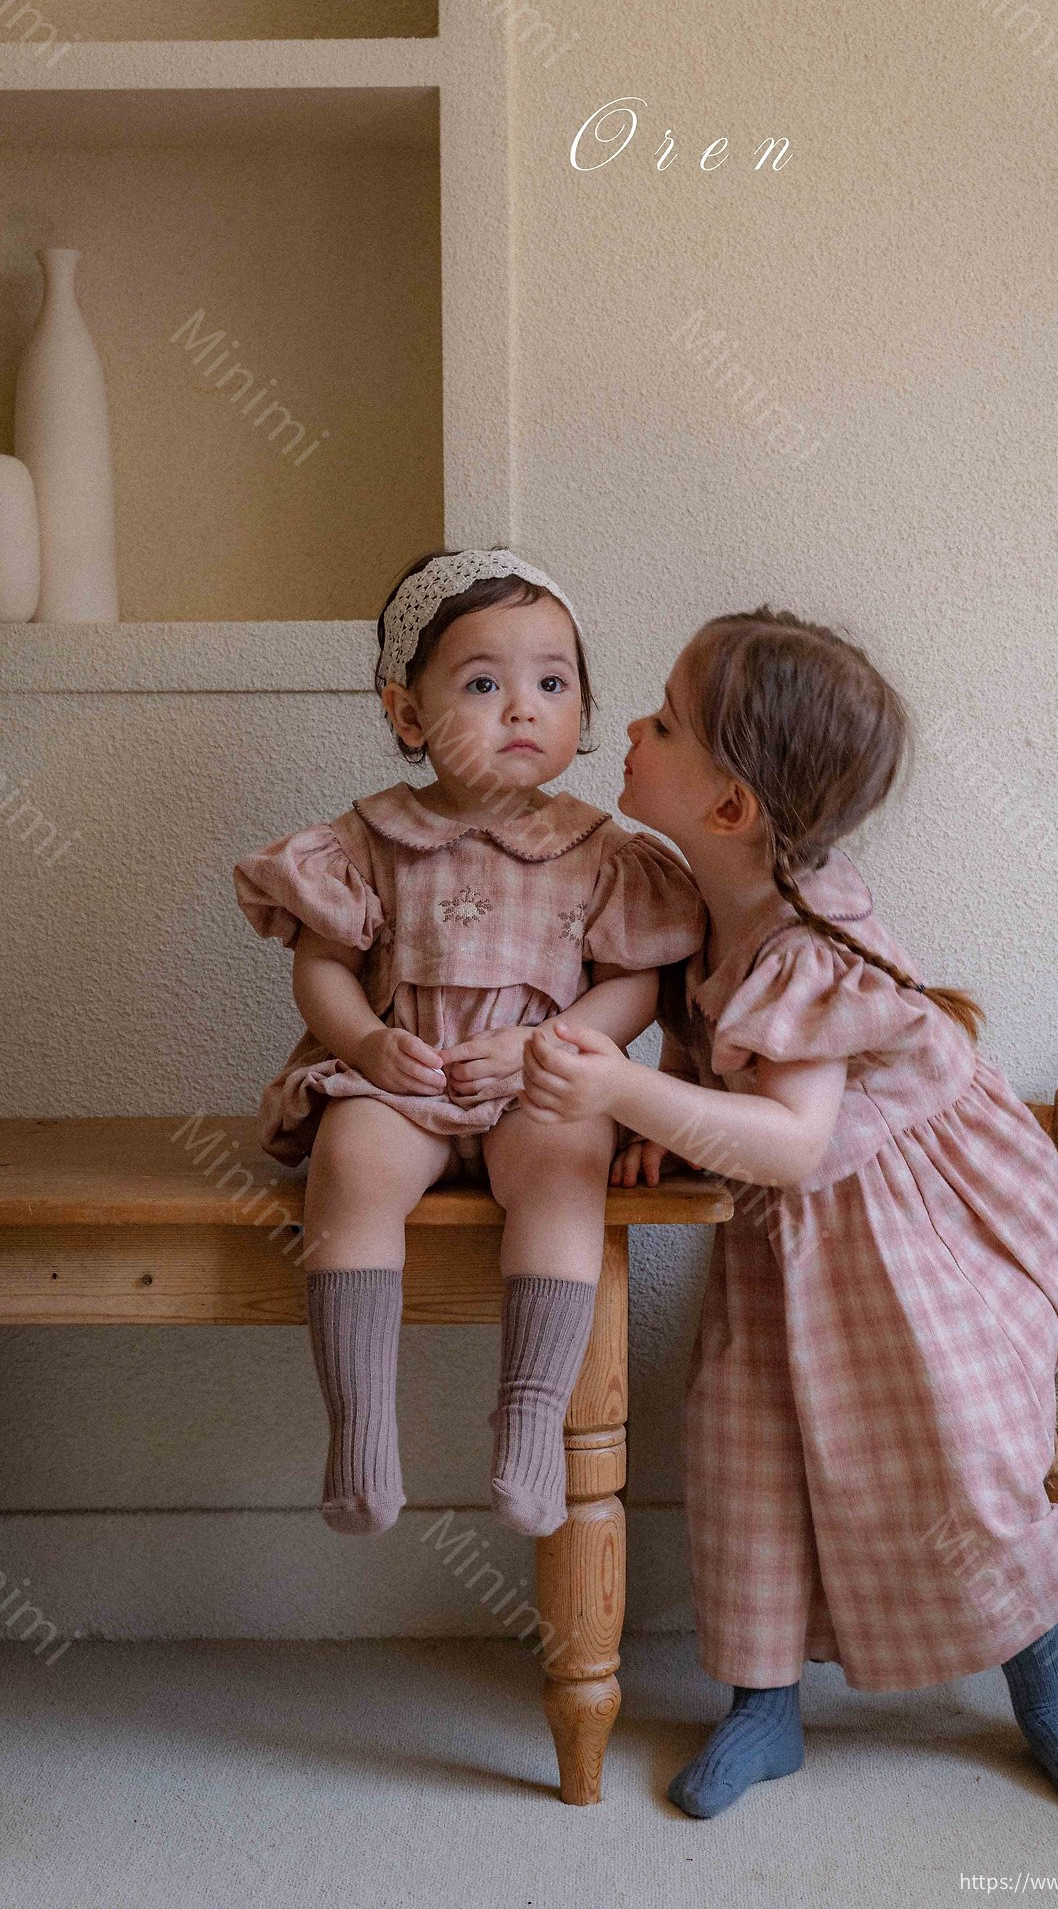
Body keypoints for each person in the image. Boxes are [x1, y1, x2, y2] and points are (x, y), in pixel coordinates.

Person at [521, 604, 1058, 1816]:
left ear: (729, 806)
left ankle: (1045, 1693)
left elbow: (795, 1140)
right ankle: (762, 1713)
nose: (630, 730)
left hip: (917, 1245)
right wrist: (662, 1122)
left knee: (958, 1455)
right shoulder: (698, 908)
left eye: (663, 722)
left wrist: (624, 1090)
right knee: (743, 1460)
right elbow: (722, 1074)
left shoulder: (809, 947)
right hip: (787, 1249)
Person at [231, 549, 704, 1541]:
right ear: (409, 715)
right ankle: (361, 1424)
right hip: (404, 1078)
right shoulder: (369, 838)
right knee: (351, 1164)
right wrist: (366, 1044)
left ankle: (529, 1418)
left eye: (552, 684)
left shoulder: (601, 851)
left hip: (535, 1087)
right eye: (484, 685)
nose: (523, 708)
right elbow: (321, 966)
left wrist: (550, 1043)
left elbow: (635, 983)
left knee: (567, 1167)